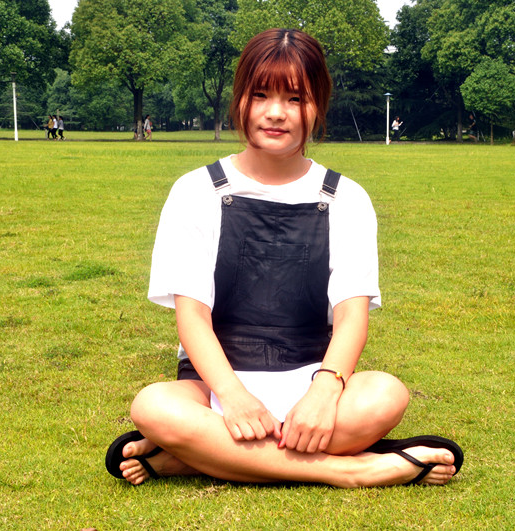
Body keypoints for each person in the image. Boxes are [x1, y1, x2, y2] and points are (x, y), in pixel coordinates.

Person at [104, 28, 463, 489]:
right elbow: (192, 317)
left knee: (385, 394)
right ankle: (352, 470)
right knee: (154, 407)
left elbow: (351, 316)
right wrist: (233, 396)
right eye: (260, 95)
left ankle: (196, 458)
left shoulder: (346, 198)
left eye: (295, 98)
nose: (276, 113)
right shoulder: (195, 190)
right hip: (214, 383)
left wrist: (325, 390)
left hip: (311, 380)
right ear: (240, 99)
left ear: (318, 107)